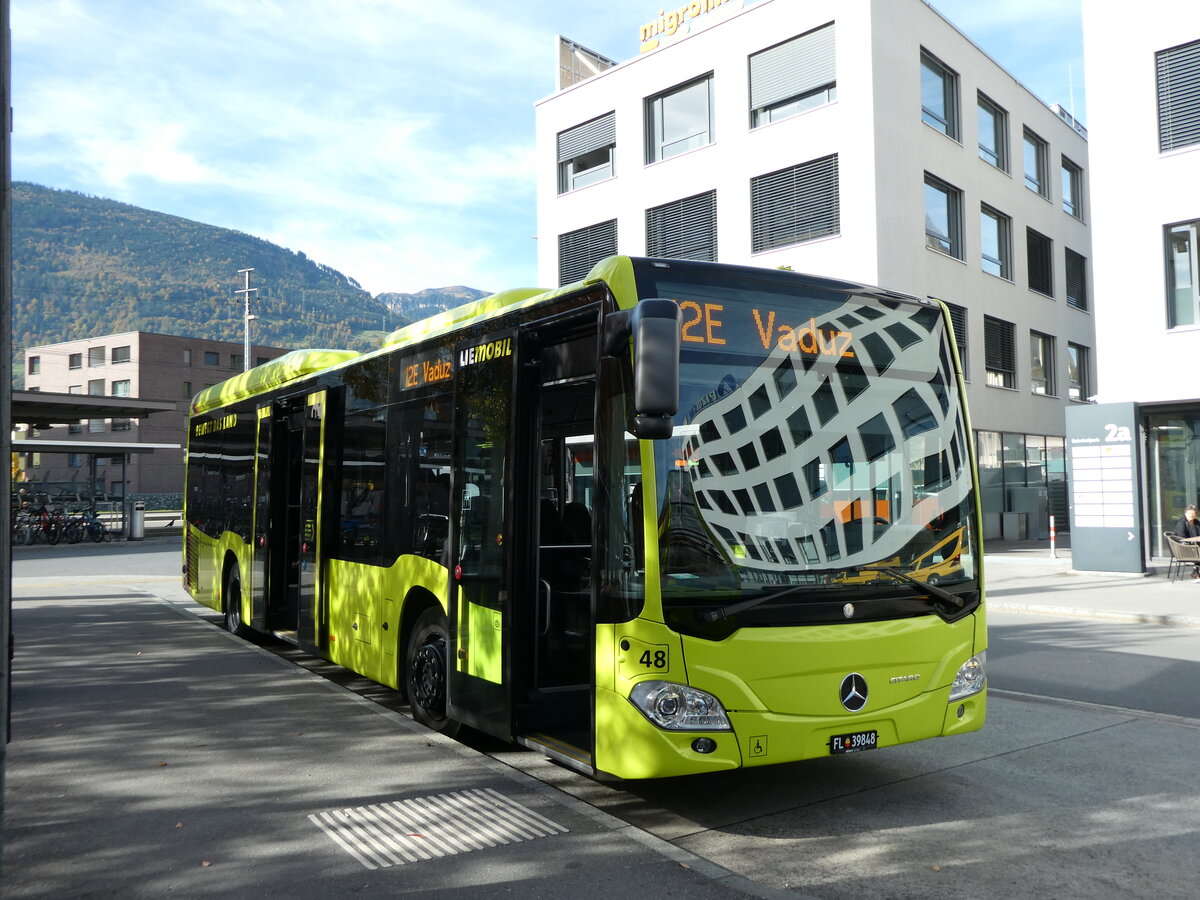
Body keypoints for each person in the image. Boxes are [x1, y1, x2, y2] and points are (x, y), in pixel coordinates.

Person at [1174, 505, 1200, 579]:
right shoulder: (1181, 523)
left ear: (1196, 514)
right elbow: (1182, 538)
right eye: (1189, 513)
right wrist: (1195, 539)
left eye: (1193, 513)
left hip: (1194, 547)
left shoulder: (1196, 522)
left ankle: (1196, 571)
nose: (1191, 515)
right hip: (1184, 548)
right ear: (1185, 514)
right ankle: (1196, 572)